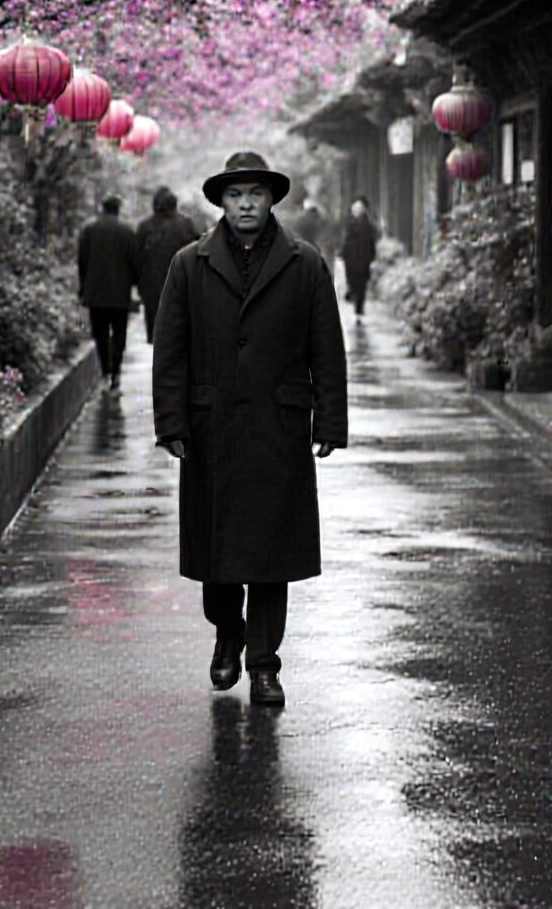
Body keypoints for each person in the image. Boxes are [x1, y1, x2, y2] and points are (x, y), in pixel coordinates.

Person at [152, 151, 349, 709]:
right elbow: (170, 352)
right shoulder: (189, 265)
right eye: (236, 195)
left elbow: (326, 350)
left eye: (256, 195)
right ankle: (227, 631)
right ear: (221, 201)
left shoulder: (304, 263)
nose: (246, 204)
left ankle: (265, 664)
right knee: (218, 554)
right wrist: (171, 422)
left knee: (270, 554)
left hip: (277, 428)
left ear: (270, 200)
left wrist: (330, 418)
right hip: (212, 427)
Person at [76, 195, 144, 388]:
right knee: (119, 334)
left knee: (100, 334)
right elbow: (136, 262)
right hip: (120, 293)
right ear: (118, 209)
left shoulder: (89, 230)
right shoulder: (127, 231)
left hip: (96, 293)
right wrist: (136, 284)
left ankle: (105, 371)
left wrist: (83, 287)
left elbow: (82, 261)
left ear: (102, 208)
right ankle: (116, 372)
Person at [135, 187, 203, 344]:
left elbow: (137, 257)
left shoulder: (145, 227)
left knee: (155, 328)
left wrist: (138, 282)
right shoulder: (186, 225)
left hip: (151, 285)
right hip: (181, 283)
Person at [339, 197, 380, 318]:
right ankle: (359, 304)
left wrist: (343, 253)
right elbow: (372, 241)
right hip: (361, 258)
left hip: (354, 258)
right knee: (361, 283)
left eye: (356, 209)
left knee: (355, 280)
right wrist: (372, 255)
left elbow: (347, 241)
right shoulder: (367, 224)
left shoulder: (352, 224)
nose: (354, 211)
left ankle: (355, 299)